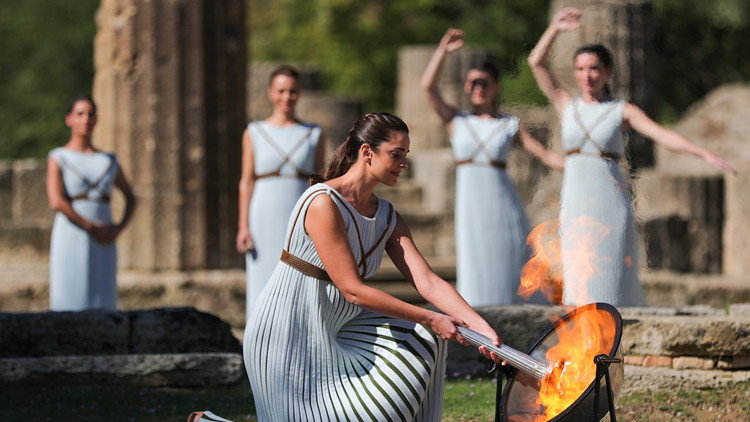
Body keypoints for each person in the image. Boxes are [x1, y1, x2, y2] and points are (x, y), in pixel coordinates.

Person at [243, 112, 502, 421]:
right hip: (288, 332)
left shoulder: (387, 216)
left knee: (422, 341)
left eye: (406, 155)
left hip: (340, 329)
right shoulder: (323, 202)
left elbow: (428, 282)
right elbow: (352, 290)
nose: (404, 163)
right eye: (396, 154)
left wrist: (481, 327)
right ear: (367, 152)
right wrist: (432, 317)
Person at [528, 8, 736, 306]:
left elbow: (661, 134)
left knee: (611, 273)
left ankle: (620, 338)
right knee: (577, 273)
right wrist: (555, 29)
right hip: (575, 200)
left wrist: (704, 152)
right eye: (581, 69)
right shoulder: (567, 106)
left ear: (608, 71)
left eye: (594, 68)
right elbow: (536, 62)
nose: (587, 76)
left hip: (610, 200)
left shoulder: (621, 110)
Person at [421, 29, 564, 306]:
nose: (478, 88)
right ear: (466, 86)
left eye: (484, 83)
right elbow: (429, 87)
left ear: (495, 86)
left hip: (502, 203)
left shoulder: (508, 124)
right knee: (473, 261)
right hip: (470, 205)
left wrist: (580, 165)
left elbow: (544, 154)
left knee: (509, 259)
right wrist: (442, 51)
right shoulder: (456, 120)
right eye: (473, 83)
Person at [236, 65, 326, 318]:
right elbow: (246, 181)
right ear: (270, 92)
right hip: (262, 213)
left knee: (299, 278)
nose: (286, 97)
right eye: (281, 91)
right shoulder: (254, 132)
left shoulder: (313, 133)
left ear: (300, 93)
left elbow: (320, 182)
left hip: (298, 212)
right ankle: (258, 344)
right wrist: (243, 225)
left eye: (293, 91)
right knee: (262, 278)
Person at [46, 94, 136, 311]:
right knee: (69, 297)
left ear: (96, 119)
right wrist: (89, 226)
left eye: (91, 114)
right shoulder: (59, 157)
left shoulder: (108, 160)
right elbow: (56, 201)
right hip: (71, 233)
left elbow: (131, 197)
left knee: (102, 295)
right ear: (69, 119)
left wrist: (118, 228)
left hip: (104, 236)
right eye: (80, 114)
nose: (86, 119)